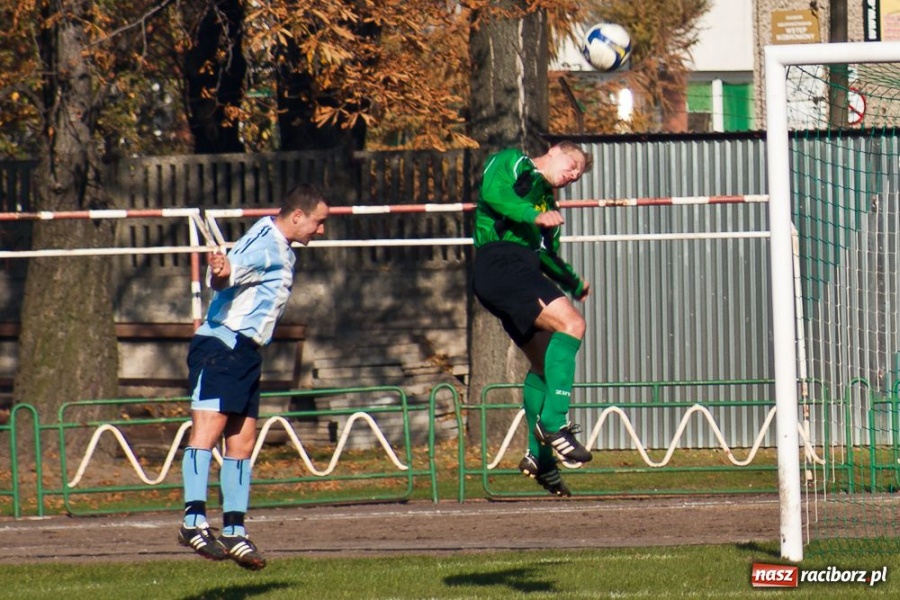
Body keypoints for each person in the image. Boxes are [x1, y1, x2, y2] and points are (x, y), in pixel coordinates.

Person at [177, 184, 329, 569]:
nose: (321, 230)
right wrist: (222, 272)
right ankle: (193, 521)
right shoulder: (264, 244)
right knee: (206, 432)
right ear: (298, 216)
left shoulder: (274, 240)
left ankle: (233, 530)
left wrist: (226, 272)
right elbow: (227, 275)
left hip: (244, 352)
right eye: (319, 222)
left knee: (241, 443)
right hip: (221, 347)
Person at [472, 141, 593, 497]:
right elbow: (493, 193)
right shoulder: (514, 162)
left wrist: (573, 280)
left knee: (543, 366)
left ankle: (540, 458)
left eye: (578, 175)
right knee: (573, 325)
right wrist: (532, 215)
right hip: (500, 263)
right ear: (554, 150)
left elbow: (547, 256)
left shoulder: (549, 207)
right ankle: (555, 425)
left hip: (517, 270)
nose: (572, 175)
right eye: (572, 165)